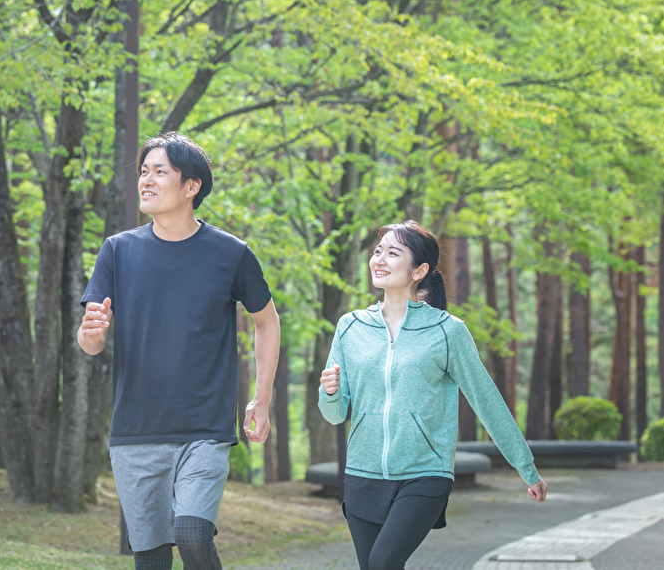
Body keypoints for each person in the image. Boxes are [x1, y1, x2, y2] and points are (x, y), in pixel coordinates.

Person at [77, 132, 281, 570]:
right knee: (151, 560)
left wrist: (261, 398)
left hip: (204, 429)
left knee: (192, 534)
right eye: (143, 172)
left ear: (192, 186)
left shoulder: (231, 253)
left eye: (160, 172)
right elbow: (91, 342)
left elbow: (267, 320)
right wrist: (91, 333)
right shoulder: (117, 250)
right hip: (135, 432)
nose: (146, 181)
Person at [318, 220, 547, 570]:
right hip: (362, 473)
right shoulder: (350, 327)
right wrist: (330, 393)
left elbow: (486, 400)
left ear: (419, 270)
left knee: (383, 562)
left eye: (393, 253)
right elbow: (334, 414)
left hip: (424, 472)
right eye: (378, 251)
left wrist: (526, 467)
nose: (380, 259)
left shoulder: (447, 331)